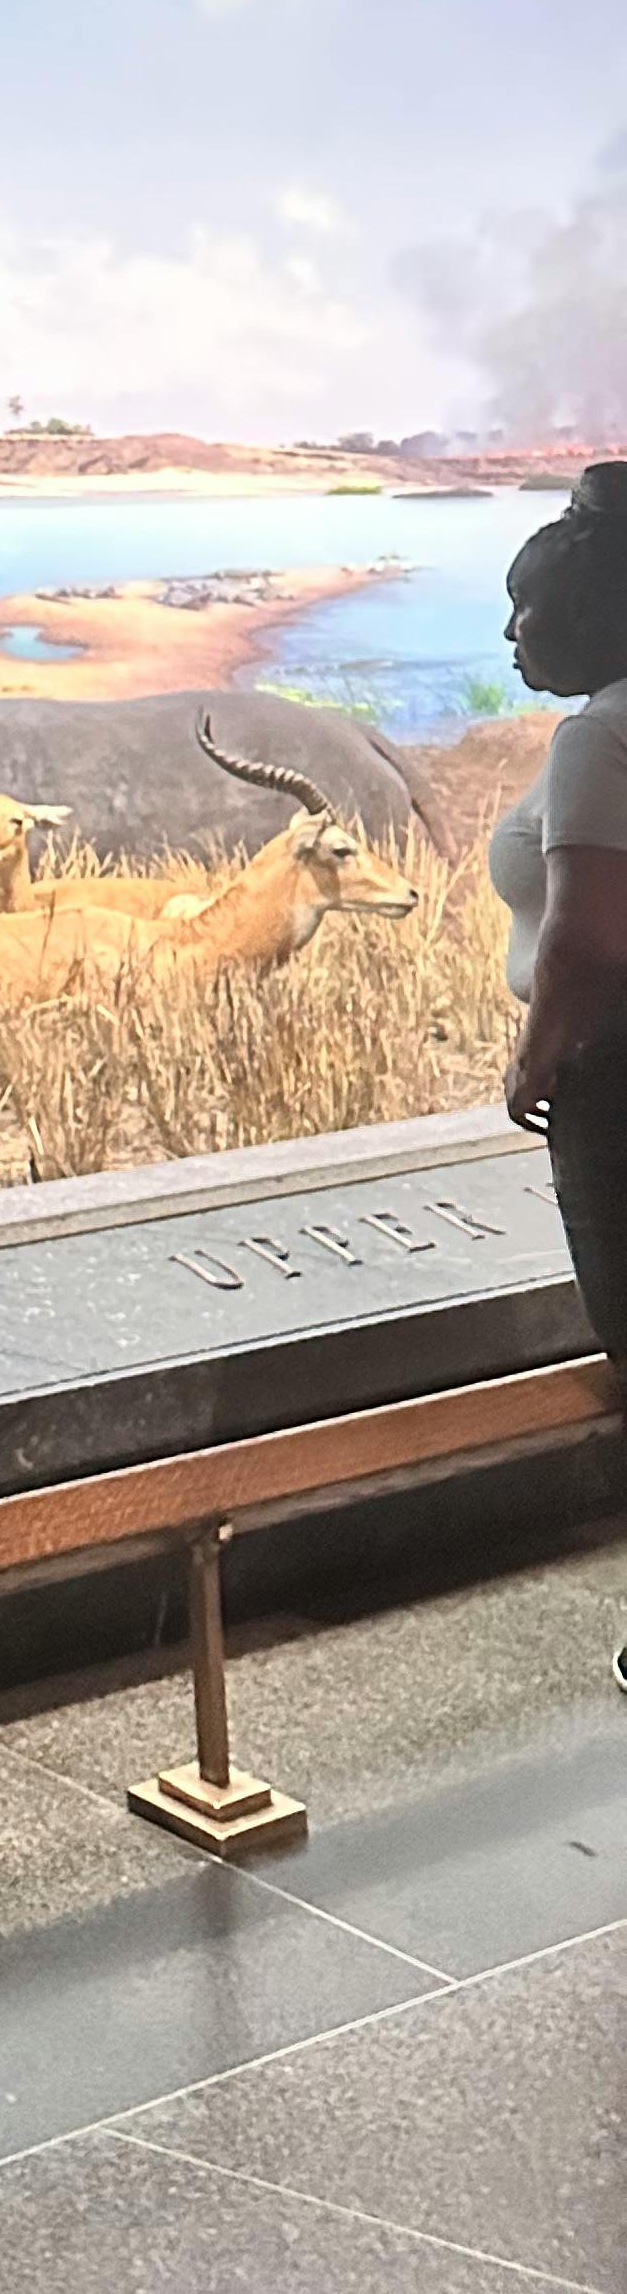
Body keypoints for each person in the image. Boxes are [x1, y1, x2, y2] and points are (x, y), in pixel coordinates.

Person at [493, 465, 627, 1692]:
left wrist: (537, 1059)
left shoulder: (597, 734)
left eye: (524, 606)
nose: (510, 633)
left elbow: (586, 936)